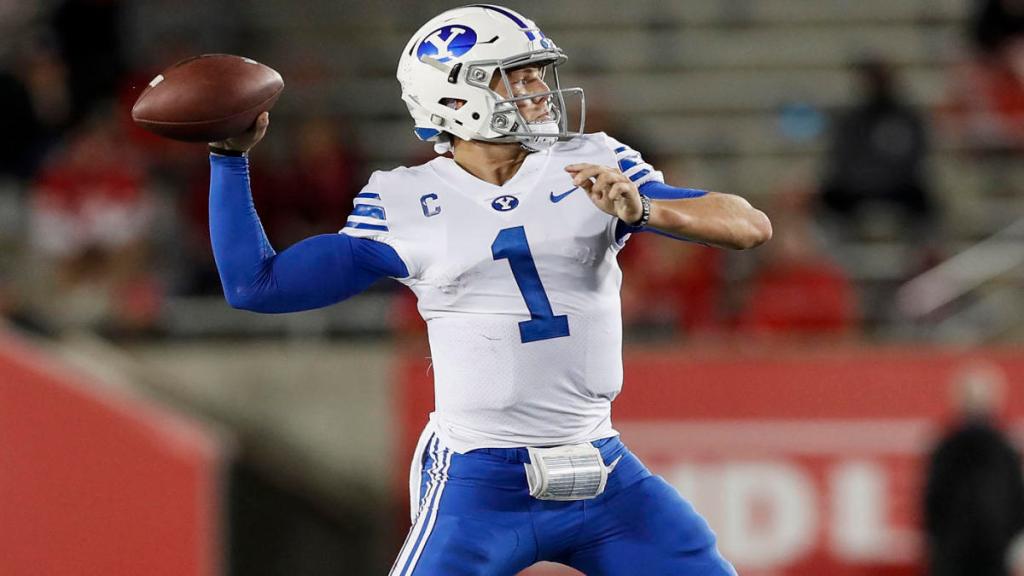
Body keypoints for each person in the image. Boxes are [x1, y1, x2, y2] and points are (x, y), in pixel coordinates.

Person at [206, 5, 771, 575]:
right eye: (517, 78)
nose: (540, 91)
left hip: (602, 471)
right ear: (455, 98)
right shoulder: (406, 201)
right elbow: (258, 286)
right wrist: (229, 161)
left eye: (537, 74)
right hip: (481, 483)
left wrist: (646, 208)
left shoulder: (591, 162)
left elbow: (750, 225)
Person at [924, 363, 1024, 576]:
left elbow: (932, 503)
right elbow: (1017, 502)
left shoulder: (946, 446)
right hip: (992, 553)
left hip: (953, 554)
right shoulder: (1004, 447)